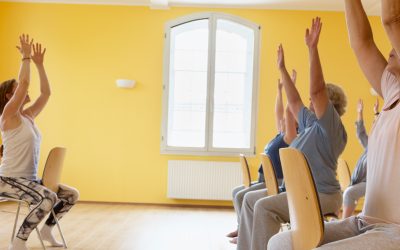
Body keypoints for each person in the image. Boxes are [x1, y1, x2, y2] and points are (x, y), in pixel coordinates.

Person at [268, 0, 400, 248]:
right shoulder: (392, 90)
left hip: (395, 231)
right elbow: (362, 43)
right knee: (281, 243)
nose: (390, 48)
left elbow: (392, 19)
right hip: (365, 221)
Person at [237, 17, 347, 250]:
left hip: (323, 194)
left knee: (264, 208)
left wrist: (312, 49)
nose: (309, 102)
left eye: (315, 101)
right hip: (300, 190)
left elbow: (316, 91)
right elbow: (295, 100)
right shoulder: (310, 123)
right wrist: (282, 70)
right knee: (249, 199)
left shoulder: (331, 127)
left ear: (329, 105)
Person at [0, 34, 79, 250]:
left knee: (71, 195)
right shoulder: (8, 116)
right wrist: (25, 58)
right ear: (9, 96)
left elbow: (46, 93)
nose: (25, 91)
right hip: (8, 179)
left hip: (29, 180)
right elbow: (24, 83)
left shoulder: (28, 116)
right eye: (18, 90)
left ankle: (46, 231)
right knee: (47, 199)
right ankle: (19, 241)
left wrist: (40, 65)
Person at [228, 73, 298, 244]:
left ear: (293, 125)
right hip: (265, 179)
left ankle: (247, 233)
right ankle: (243, 229)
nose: (282, 120)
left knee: (242, 196)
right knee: (238, 193)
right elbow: (279, 112)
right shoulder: (279, 134)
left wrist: (291, 88)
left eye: (286, 120)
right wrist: (280, 91)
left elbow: (288, 111)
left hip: (274, 182)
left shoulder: (290, 138)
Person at [342, 98, 379, 219]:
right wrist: (360, 112)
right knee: (349, 193)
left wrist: (376, 114)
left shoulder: (383, 148)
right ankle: (346, 220)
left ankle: (344, 221)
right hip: (362, 181)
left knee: (349, 193)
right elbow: (360, 132)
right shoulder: (370, 144)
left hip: (373, 183)